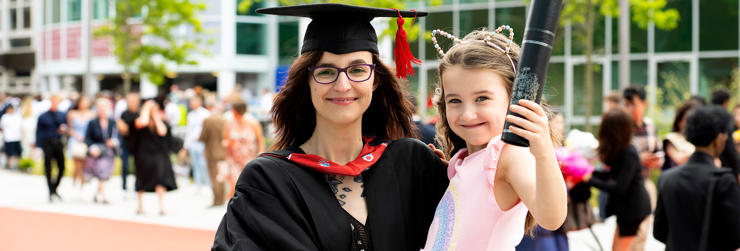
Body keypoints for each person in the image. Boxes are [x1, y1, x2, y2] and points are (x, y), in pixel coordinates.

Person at [213, 4, 450, 250]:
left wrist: (465, 176)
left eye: (357, 70)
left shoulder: (412, 163)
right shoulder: (268, 179)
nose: (343, 85)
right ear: (307, 81)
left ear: (376, 80)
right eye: (326, 72)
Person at [421, 28, 567, 250]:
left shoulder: (507, 154)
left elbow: (551, 218)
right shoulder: (464, 160)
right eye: (455, 101)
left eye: (482, 98)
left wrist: (544, 152)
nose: (467, 113)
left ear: (513, 97)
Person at [653, 105, 740, 251]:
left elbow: (659, 232)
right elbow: (735, 237)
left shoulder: (667, 178)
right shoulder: (724, 180)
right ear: (718, 139)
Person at [584, 108, 651, 251]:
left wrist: (590, 179)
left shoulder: (629, 152)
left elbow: (619, 187)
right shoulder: (622, 149)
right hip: (628, 210)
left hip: (633, 210)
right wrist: (590, 173)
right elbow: (610, 175)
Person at [131, 99, 177, 215]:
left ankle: (161, 207)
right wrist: (146, 110)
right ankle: (140, 206)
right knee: (141, 179)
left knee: (160, 179)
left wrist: (156, 116)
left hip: (158, 154)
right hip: (143, 154)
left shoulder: (161, 120)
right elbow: (141, 123)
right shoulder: (140, 118)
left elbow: (163, 132)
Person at [223, 98, 264, 198]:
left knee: (246, 183)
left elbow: (260, 139)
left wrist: (261, 152)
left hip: (248, 158)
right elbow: (224, 140)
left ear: (235, 111)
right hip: (233, 159)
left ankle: (242, 204)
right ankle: (234, 205)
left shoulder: (253, 123)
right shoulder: (230, 124)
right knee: (235, 183)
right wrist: (228, 143)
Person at [84, 98, 118, 204]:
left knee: (104, 174)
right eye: (100, 108)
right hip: (97, 151)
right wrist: (93, 147)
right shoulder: (92, 123)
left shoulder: (112, 122)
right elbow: (87, 138)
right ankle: (103, 196)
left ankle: (96, 194)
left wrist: (114, 142)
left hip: (109, 151)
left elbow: (117, 136)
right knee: (102, 173)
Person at [36, 94, 68, 202]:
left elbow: (66, 127)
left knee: (62, 167)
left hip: (58, 143)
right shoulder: (43, 116)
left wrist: (64, 130)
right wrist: (39, 146)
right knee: (48, 168)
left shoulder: (62, 115)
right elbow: (39, 132)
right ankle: (50, 191)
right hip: (47, 143)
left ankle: (54, 188)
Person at [199, 97, 227, 206]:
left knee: (214, 176)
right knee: (221, 176)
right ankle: (222, 198)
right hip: (223, 151)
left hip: (211, 152)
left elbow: (202, 136)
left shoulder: (208, 120)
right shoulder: (224, 120)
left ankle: (217, 200)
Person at [662, 100, 701, 170]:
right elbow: (680, 160)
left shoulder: (701, 141)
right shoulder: (671, 139)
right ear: (679, 120)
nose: (689, 124)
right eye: (686, 119)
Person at [67, 96, 95, 188]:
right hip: (75, 140)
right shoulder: (72, 114)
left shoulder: (92, 114)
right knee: (77, 165)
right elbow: (70, 129)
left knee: (84, 164)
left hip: (86, 141)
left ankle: (82, 185)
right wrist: (77, 136)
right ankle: (74, 182)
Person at [184, 95, 210, 191]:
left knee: (204, 164)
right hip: (193, 143)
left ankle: (207, 185)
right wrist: (186, 146)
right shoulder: (190, 115)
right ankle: (198, 185)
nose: (191, 104)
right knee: (195, 164)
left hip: (202, 142)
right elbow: (189, 131)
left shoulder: (205, 114)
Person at [117, 92, 140, 193]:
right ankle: (124, 186)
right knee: (125, 166)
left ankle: (137, 186)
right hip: (126, 143)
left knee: (137, 166)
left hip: (137, 144)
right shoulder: (124, 114)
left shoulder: (140, 114)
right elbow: (122, 129)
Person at [1, 105, 23, 169]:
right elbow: (2, 127)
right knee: (9, 152)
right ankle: (10, 166)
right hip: (8, 137)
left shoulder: (17, 116)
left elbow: (20, 126)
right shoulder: (4, 117)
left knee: (18, 152)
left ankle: (19, 165)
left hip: (17, 137)